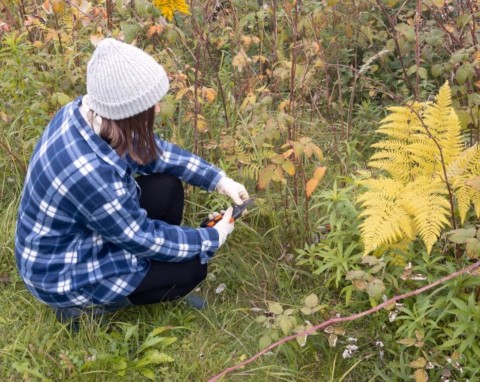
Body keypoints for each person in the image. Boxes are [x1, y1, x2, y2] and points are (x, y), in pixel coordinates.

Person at [14, 38, 249, 324]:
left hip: (79, 235)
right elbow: (141, 237)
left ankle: (156, 277)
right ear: (127, 113)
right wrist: (211, 237)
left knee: (167, 188)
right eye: (151, 105)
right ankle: (83, 312)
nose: (158, 109)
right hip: (60, 273)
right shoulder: (91, 173)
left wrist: (219, 180)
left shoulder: (87, 112)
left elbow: (154, 153)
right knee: (192, 270)